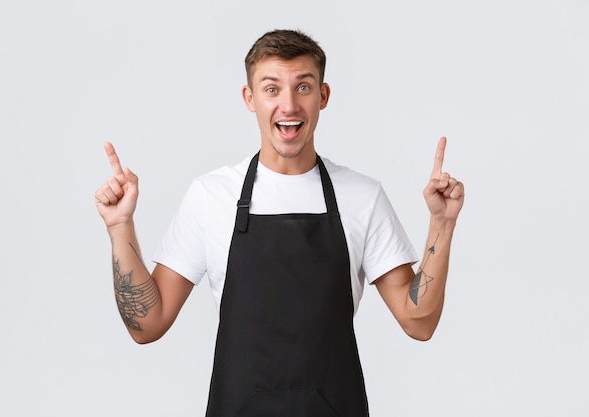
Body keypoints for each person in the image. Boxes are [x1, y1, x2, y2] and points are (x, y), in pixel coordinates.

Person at [95, 29, 464, 417]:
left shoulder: (362, 197)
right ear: (250, 98)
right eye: (272, 89)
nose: (288, 105)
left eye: (303, 87)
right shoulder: (211, 196)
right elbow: (147, 325)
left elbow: (418, 323)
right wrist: (120, 229)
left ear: (323, 96)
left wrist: (443, 224)